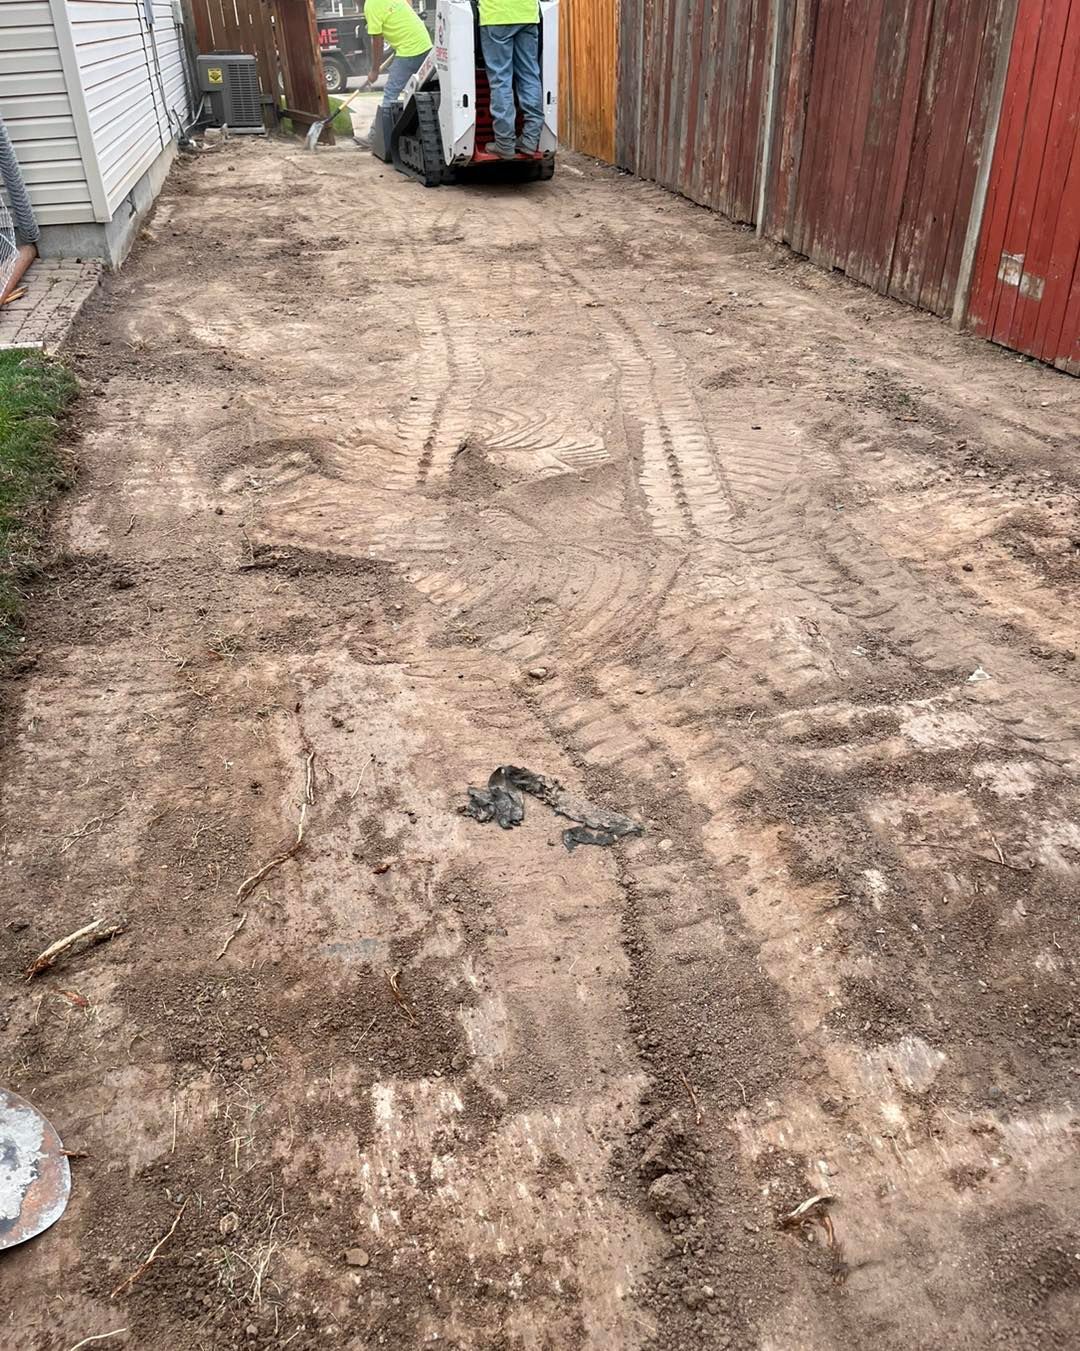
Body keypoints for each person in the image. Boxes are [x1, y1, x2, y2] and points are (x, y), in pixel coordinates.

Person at [358, 0, 433, 146]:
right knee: (419, 92)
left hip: (409, 51)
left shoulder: (371, 5)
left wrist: (374, 71)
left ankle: (382, 143)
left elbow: (377, 41)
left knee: (390, 96)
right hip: (425, 44)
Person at [478, 0, 545, 159]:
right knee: (530, 76)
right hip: (528, 14)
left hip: (496, 15)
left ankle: (505, 143)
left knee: (501, 80)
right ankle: (530, 140)